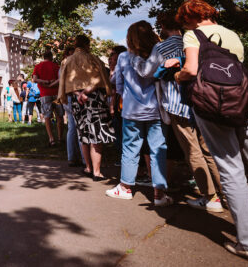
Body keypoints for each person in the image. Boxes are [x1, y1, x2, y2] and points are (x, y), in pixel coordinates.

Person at [172, 0, 248, 263]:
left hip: (213, 109)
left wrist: (177, 75)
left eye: (184, 20)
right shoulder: (233, 35)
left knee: (232, 171)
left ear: (189, 18)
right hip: (246, 104)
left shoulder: (192, 35)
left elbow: (191, 69)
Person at [131, 12, 223, 212]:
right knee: (207, 148)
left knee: (192, 151)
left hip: (177, 103)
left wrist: (135, 60)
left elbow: (146, 71)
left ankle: (210, 197)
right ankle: (225, 192)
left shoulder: (161, 47)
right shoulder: (193, 42)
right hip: (202, 101)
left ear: (163, 27)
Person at [106, 21, 172, 206]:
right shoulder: (157, 54)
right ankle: (159, 193)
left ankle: (125, 187)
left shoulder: (124, 57)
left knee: (130, 149)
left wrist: (124, 96)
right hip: (155, 109)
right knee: (158, 149)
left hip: (131, 109)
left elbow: (118, 84)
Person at [57, 35, 115, 181]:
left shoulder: (67, 61)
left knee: (83, 133)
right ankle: (97, 171)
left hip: (77, 101)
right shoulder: (94, 58)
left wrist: (78, 93)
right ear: (87, 45)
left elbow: (65, 83)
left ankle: (88, 167)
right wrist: (87, 92)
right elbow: (101, 78)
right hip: (95, 99)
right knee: (96, 135)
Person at [34, 51, 63, 144]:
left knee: (47, 116)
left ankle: (51, 138)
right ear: (51, 57)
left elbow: (35, 79)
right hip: (56, 94)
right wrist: (51, 82)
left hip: (45, 94)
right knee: (59, 116)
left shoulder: (38, 66)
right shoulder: (56, 66)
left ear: (43, 57)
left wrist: (45, 81)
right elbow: (60, 79)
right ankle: (60, 138)